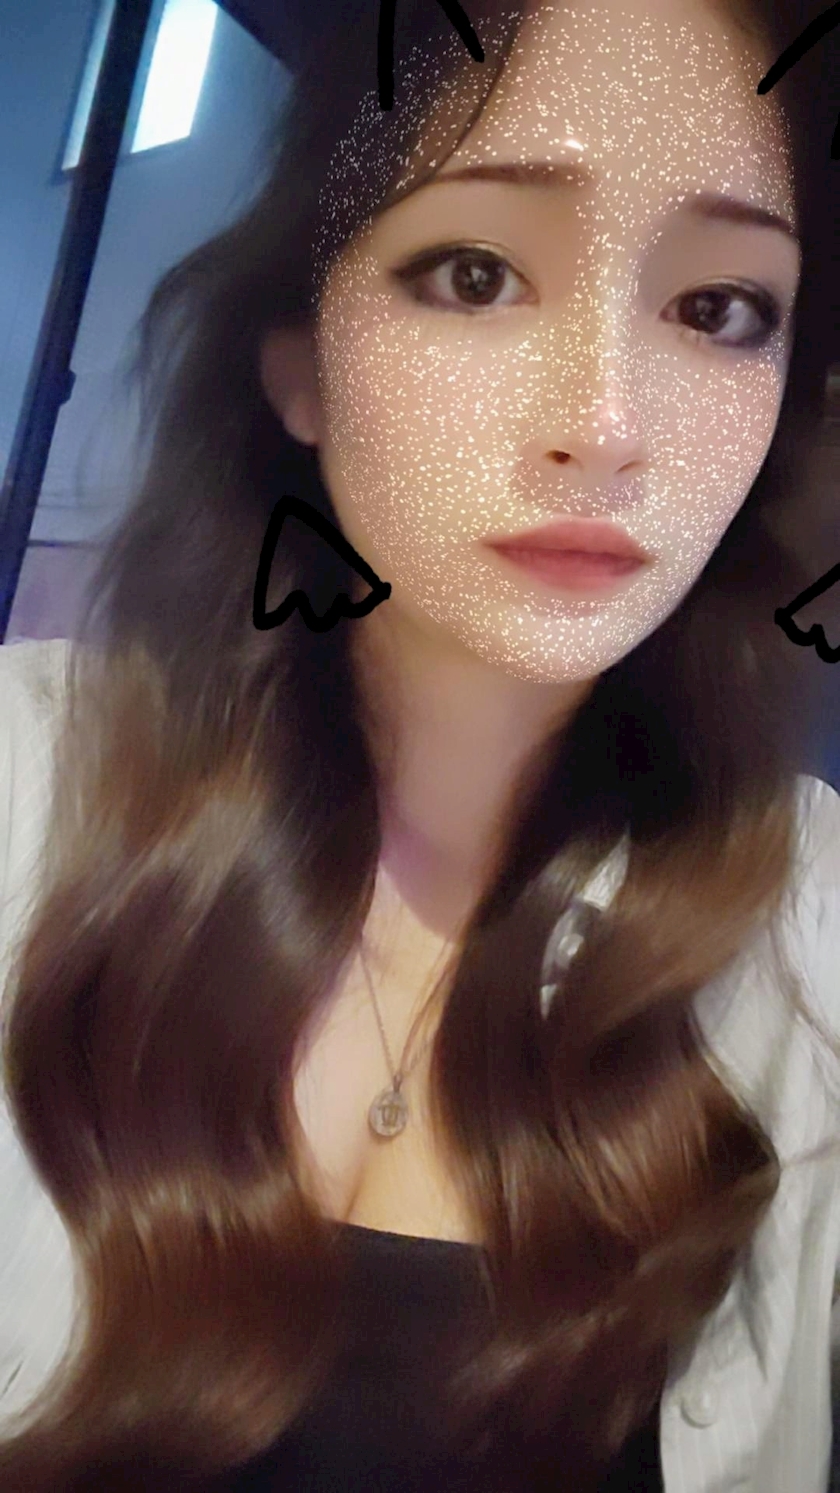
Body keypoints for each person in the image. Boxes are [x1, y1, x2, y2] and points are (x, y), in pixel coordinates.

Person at [0, 0, 838, 1488]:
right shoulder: (24, 778)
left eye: (719, 309)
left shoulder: (815, 933)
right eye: (476, 272)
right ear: (299, 367)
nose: (607, 422)